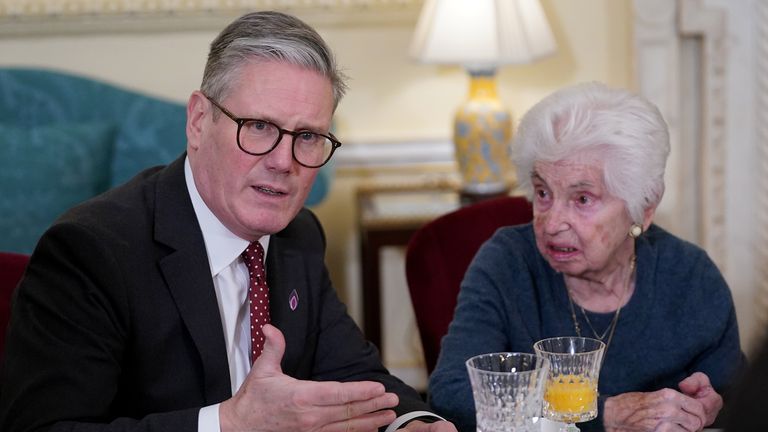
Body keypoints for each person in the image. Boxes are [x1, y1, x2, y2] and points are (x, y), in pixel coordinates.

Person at [0, 11, 455, 432]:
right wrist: (228, 423)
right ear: (199, 121)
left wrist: (410, 423)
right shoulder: (91, 252)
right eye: (258, 126)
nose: (283, 161)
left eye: (308, 136)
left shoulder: (298, 235)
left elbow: (352, 374)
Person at [428, 82, 745, 432]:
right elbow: (452, 393)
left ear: (644, 208)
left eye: (582, 199)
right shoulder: (507, 263)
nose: (551, 223)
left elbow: (741, 397)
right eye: (543, 192)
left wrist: (719, 405)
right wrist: (603, 414)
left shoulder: (690, 277)